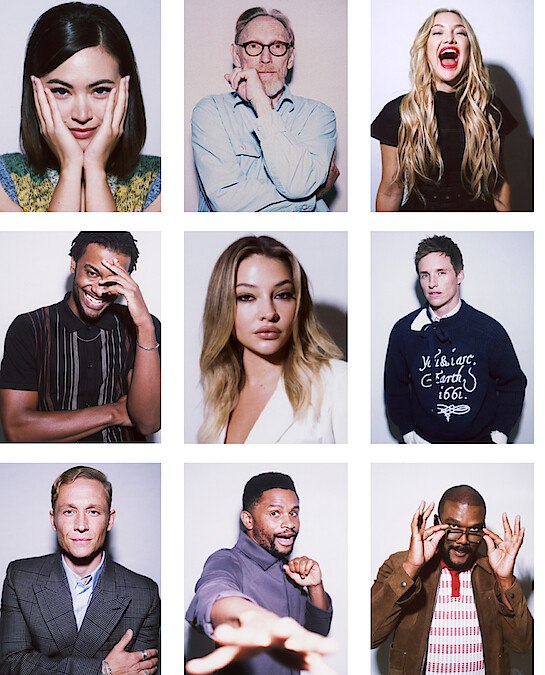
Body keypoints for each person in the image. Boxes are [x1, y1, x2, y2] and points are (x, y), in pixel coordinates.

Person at [0, 231, 160, 443]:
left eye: (113, 280)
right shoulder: (29, 327)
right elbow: (18, 430)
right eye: (92, 273)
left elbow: (149, 421)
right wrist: (114, 412)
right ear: (74, 265)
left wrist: (145, 327)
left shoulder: (143, 328)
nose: (99, 290)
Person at [0, 3, 159, 212]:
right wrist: (70, 166)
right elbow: (54, 241)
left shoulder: (161, 182)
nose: (82, 115)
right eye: (62, 91)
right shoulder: (6, 180)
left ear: (126, 90)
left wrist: (95, 168)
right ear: (34, 91)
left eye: (100, 90)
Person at [0, 466, 159, 675]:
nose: (81, 525)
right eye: (69, 511)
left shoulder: (143, 592)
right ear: (53, 520)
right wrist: (102, 671)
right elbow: (11, 664)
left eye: (93, 511)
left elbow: (141, 671)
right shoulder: (20, 577)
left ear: (109, 520)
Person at [198, 235, 347, 444]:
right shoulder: (220, 396)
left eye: (282, 295)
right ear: (222, 306)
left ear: (299, 304)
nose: (268, 313)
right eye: (246, 297)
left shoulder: (338, 382)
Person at [191, 7, 339, 212]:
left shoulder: (319, 115)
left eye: (277, 46)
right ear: (236, 55)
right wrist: (312, 195)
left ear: (290, 57)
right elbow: (227, 204)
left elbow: (298, 184)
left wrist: (261, 103)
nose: (266, 58)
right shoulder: (210, 112)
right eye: (253, 46)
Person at [371, 485, 531, 674]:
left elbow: (523, 644)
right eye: (454, 526)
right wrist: (411, 568)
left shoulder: (493, 572)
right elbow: (370, 635)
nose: (463, 540)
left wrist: (505, 579)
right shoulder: (400, 565)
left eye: (473, 529)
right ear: (437, 522)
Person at [185, 472, 334, 675]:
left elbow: (315, 635)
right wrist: (250, 615)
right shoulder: (227, 560)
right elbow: (212, 590)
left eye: (294, 513)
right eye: (275, 513)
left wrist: (315, 586)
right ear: (248, 520)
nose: (289, 524)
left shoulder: (294, 571)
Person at [384, 235, 526, 443]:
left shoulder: (488, 330)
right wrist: (408, 434)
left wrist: (500, 434)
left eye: (441, 273)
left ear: (459, 275)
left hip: (480, 443)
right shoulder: (404, 331)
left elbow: (513, 383)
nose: (432, 283)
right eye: (425, 275)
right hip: (424, 442)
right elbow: (394, 387)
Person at [374, 9, 516, 211]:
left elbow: (499, 184)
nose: (449, 39)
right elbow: (390, 190)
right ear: (425, 47)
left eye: (460, 33)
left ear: (470, 49)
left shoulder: (491, 110)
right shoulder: (399, 112)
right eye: (437, 32)